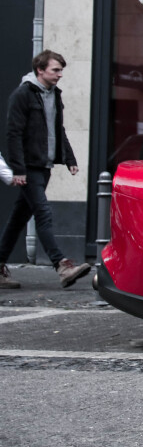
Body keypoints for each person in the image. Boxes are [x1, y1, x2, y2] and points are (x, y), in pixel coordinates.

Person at [0, 51, 91, 289]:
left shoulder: (53, 95)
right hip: (29, 167)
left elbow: (57, 129)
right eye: (55, 70)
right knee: (43, 213)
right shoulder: (23, 95)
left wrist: (69, 157)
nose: (60, 75)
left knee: (19, 219)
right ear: (40, 70)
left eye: (61, 70)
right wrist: (18, 169)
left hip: (44, 165)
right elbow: (13, 134)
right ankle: (62, 265)